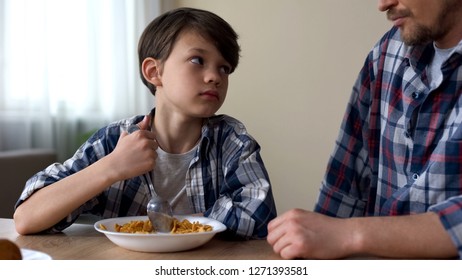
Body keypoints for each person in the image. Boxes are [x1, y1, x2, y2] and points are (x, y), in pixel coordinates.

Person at [14, 7, 277, 239]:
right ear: (154, 72)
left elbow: (257, 218)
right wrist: (111, 167)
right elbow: (27, 219)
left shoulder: (234, 143)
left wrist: (174, 226)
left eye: (224, 68)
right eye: (198, 60)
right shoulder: (115, 140)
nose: (214, 77)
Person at [267, 0, 462, 259]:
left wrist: (351, 233)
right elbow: (349, 176)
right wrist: (313, 248)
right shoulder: (388, 51)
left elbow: (340, 231)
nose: (383, 5)